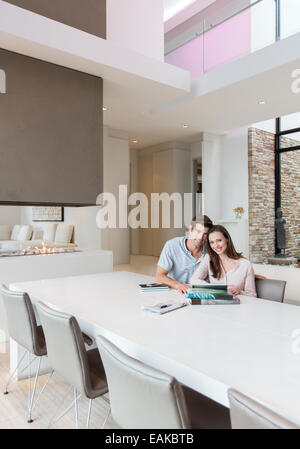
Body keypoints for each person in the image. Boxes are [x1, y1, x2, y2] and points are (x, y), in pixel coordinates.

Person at [190, 225, 257, 297]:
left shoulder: (245, 265)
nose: (215, 246)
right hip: (215, 306)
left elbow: (252, 295)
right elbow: (193, 280)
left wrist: (239, 291)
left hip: (237, 306)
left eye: (219, 240)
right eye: (212, 242)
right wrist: (220, 289)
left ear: (227, 239)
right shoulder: (209, 259)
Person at [156, 215, 213, 294]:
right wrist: (179, 285)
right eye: (198, 231)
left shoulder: (211, 250)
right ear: (190, 229)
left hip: (201, 293)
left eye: (205, 234)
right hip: (176, 292)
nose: (200, 237)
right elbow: (159, 277)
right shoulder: (172, 246)